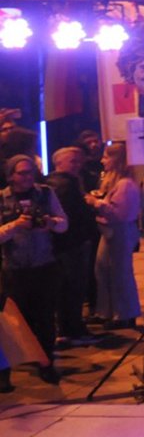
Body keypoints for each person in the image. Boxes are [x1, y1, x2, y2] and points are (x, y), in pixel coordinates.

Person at [0, 154, 69, 383]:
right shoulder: (2, 199)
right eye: (22, 173)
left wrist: (50, 223)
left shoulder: (46, 194)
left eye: (31, 172)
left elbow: (64, 224)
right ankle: (29, 356)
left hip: (44, 265)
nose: (28, 177)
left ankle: (46, 362)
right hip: (16, 268)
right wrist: (14, 226)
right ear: (11, 176)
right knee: (22, 319)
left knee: (46, 316)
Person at [86, 142, 141, 329]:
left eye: (106, 157)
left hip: (119, 232)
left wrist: (96, 203)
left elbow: (120, 214)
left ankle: (125, 313)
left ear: (117, 160)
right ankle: (107, 311)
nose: (102, 161)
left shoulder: (125, 184)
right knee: (103, 270)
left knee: (120, 273)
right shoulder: (115, 182)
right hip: (109, 232)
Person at [45, 147, 96, 345]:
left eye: (79, 161)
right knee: (73, 287)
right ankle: (73, 329)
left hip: (62, 244)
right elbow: (72, 216)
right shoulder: (66, 184)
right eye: (73, 161)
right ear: (59, 163)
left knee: (67, 288)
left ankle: (68, 327)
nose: (78, 165)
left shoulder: (51, 183)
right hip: (72, 244)